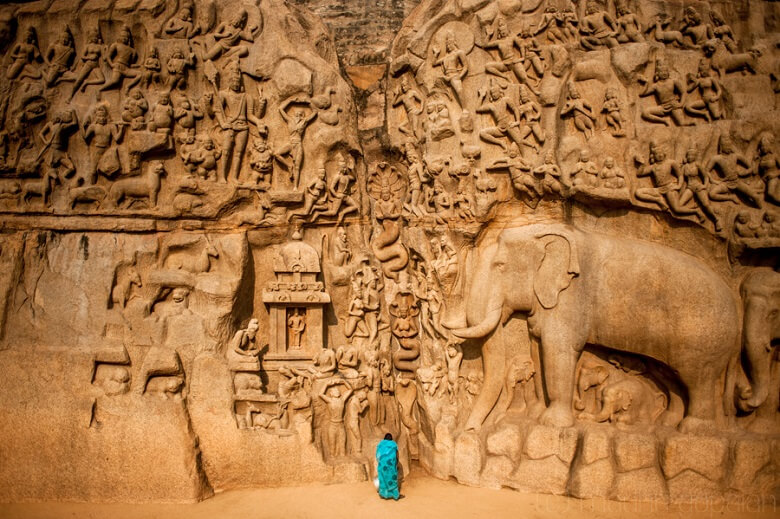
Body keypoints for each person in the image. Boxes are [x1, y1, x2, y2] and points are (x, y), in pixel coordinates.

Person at [375, 432, 400, 500]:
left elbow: (377, 456)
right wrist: (396, 464)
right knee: (392, 478)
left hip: (382, 465)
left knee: (383, 478)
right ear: (391, 439)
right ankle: (395, 495)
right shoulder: (393, 444)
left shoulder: (380, 445)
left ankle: (383, 494)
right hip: (391, 466)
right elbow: (397, 455)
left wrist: (381, 463)